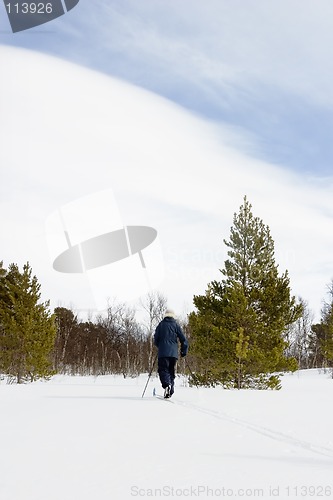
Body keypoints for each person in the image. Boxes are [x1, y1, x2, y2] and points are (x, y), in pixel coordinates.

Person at [154, 308, 189, 398]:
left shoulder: (161, 325)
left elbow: (156, 339)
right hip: (174, 354)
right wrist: (183, 351)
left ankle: (167, 385)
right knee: (171, 371)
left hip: (163, 353)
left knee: (163, 370)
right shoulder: (176, 325)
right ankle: (170, 391)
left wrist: (160, 346)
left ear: (165, 315)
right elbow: (183, 339)